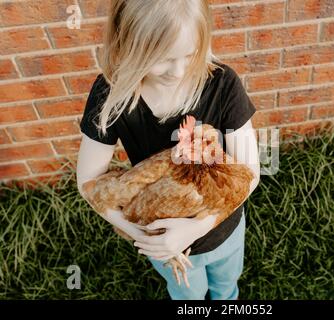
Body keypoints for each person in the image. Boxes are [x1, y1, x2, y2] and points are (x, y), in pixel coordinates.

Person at [76, 0, 260, 300]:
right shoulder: (111, 93)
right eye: (162, 58)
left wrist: (196, 229)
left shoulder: (223, 84)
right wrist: (142, 235)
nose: (177, 71)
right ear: (129, 45)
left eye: (190, 55)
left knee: (226, 287)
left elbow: (251, 173)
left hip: (222, 228)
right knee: (187, 294)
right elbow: (88, 182)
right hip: (159, 239)